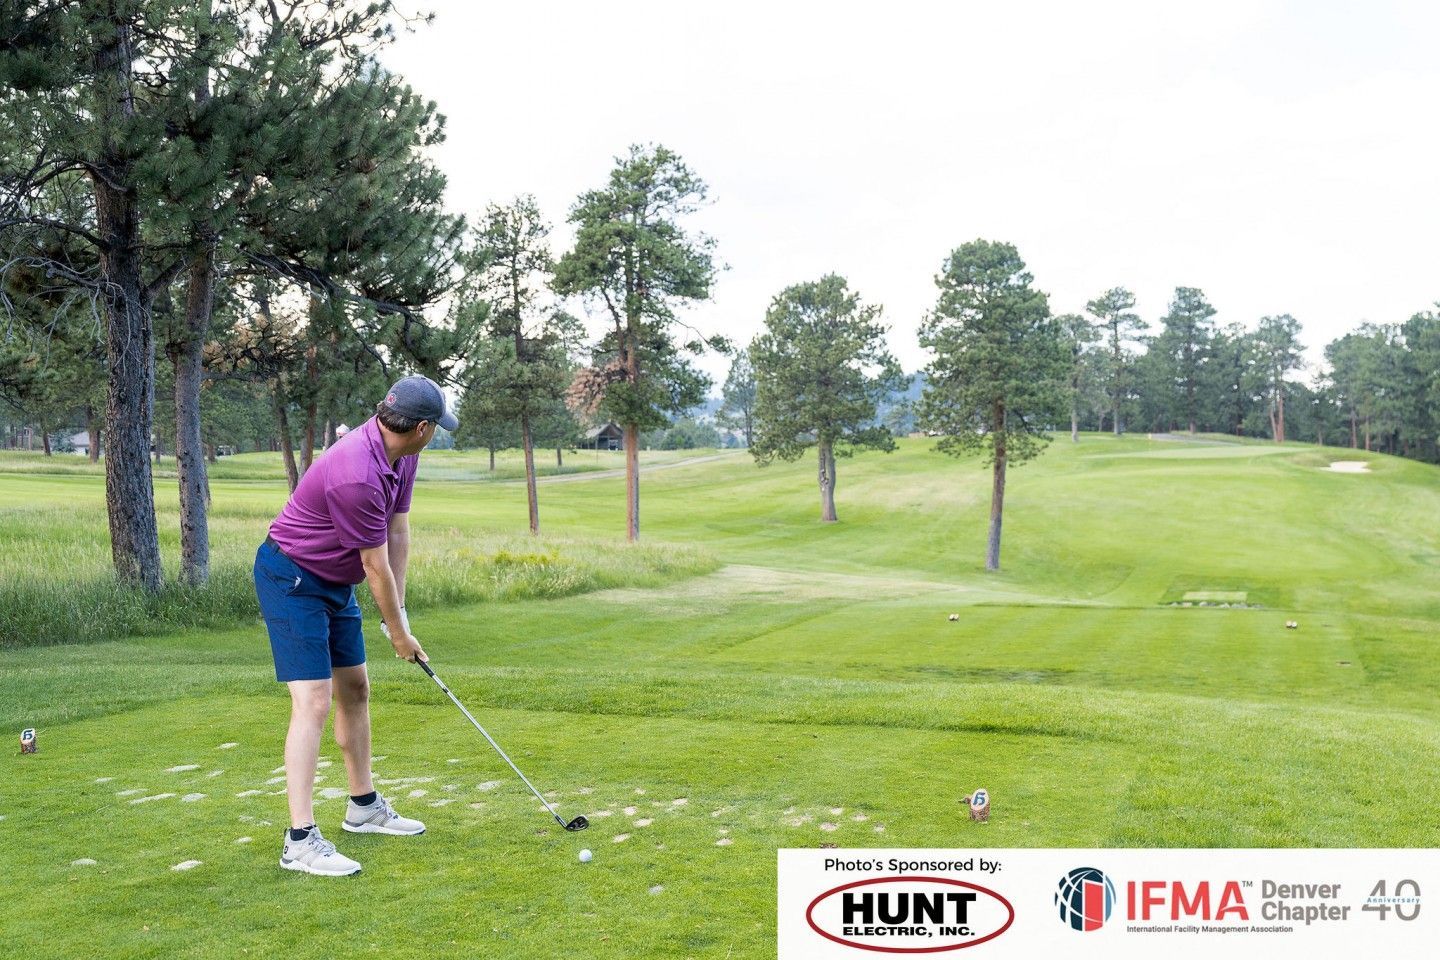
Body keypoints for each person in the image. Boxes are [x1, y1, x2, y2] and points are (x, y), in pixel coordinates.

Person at [254, 375, 457, 876]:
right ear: (423, 427)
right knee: (314, 699)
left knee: (356, 689)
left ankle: (363, 808)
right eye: (439, 427)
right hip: (291, 577)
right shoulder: (357, 472)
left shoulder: (403, 456)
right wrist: (398, 634)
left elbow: (397, 531)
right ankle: (299, 840)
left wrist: (400, 617)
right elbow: (375, 565)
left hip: (333, 581)